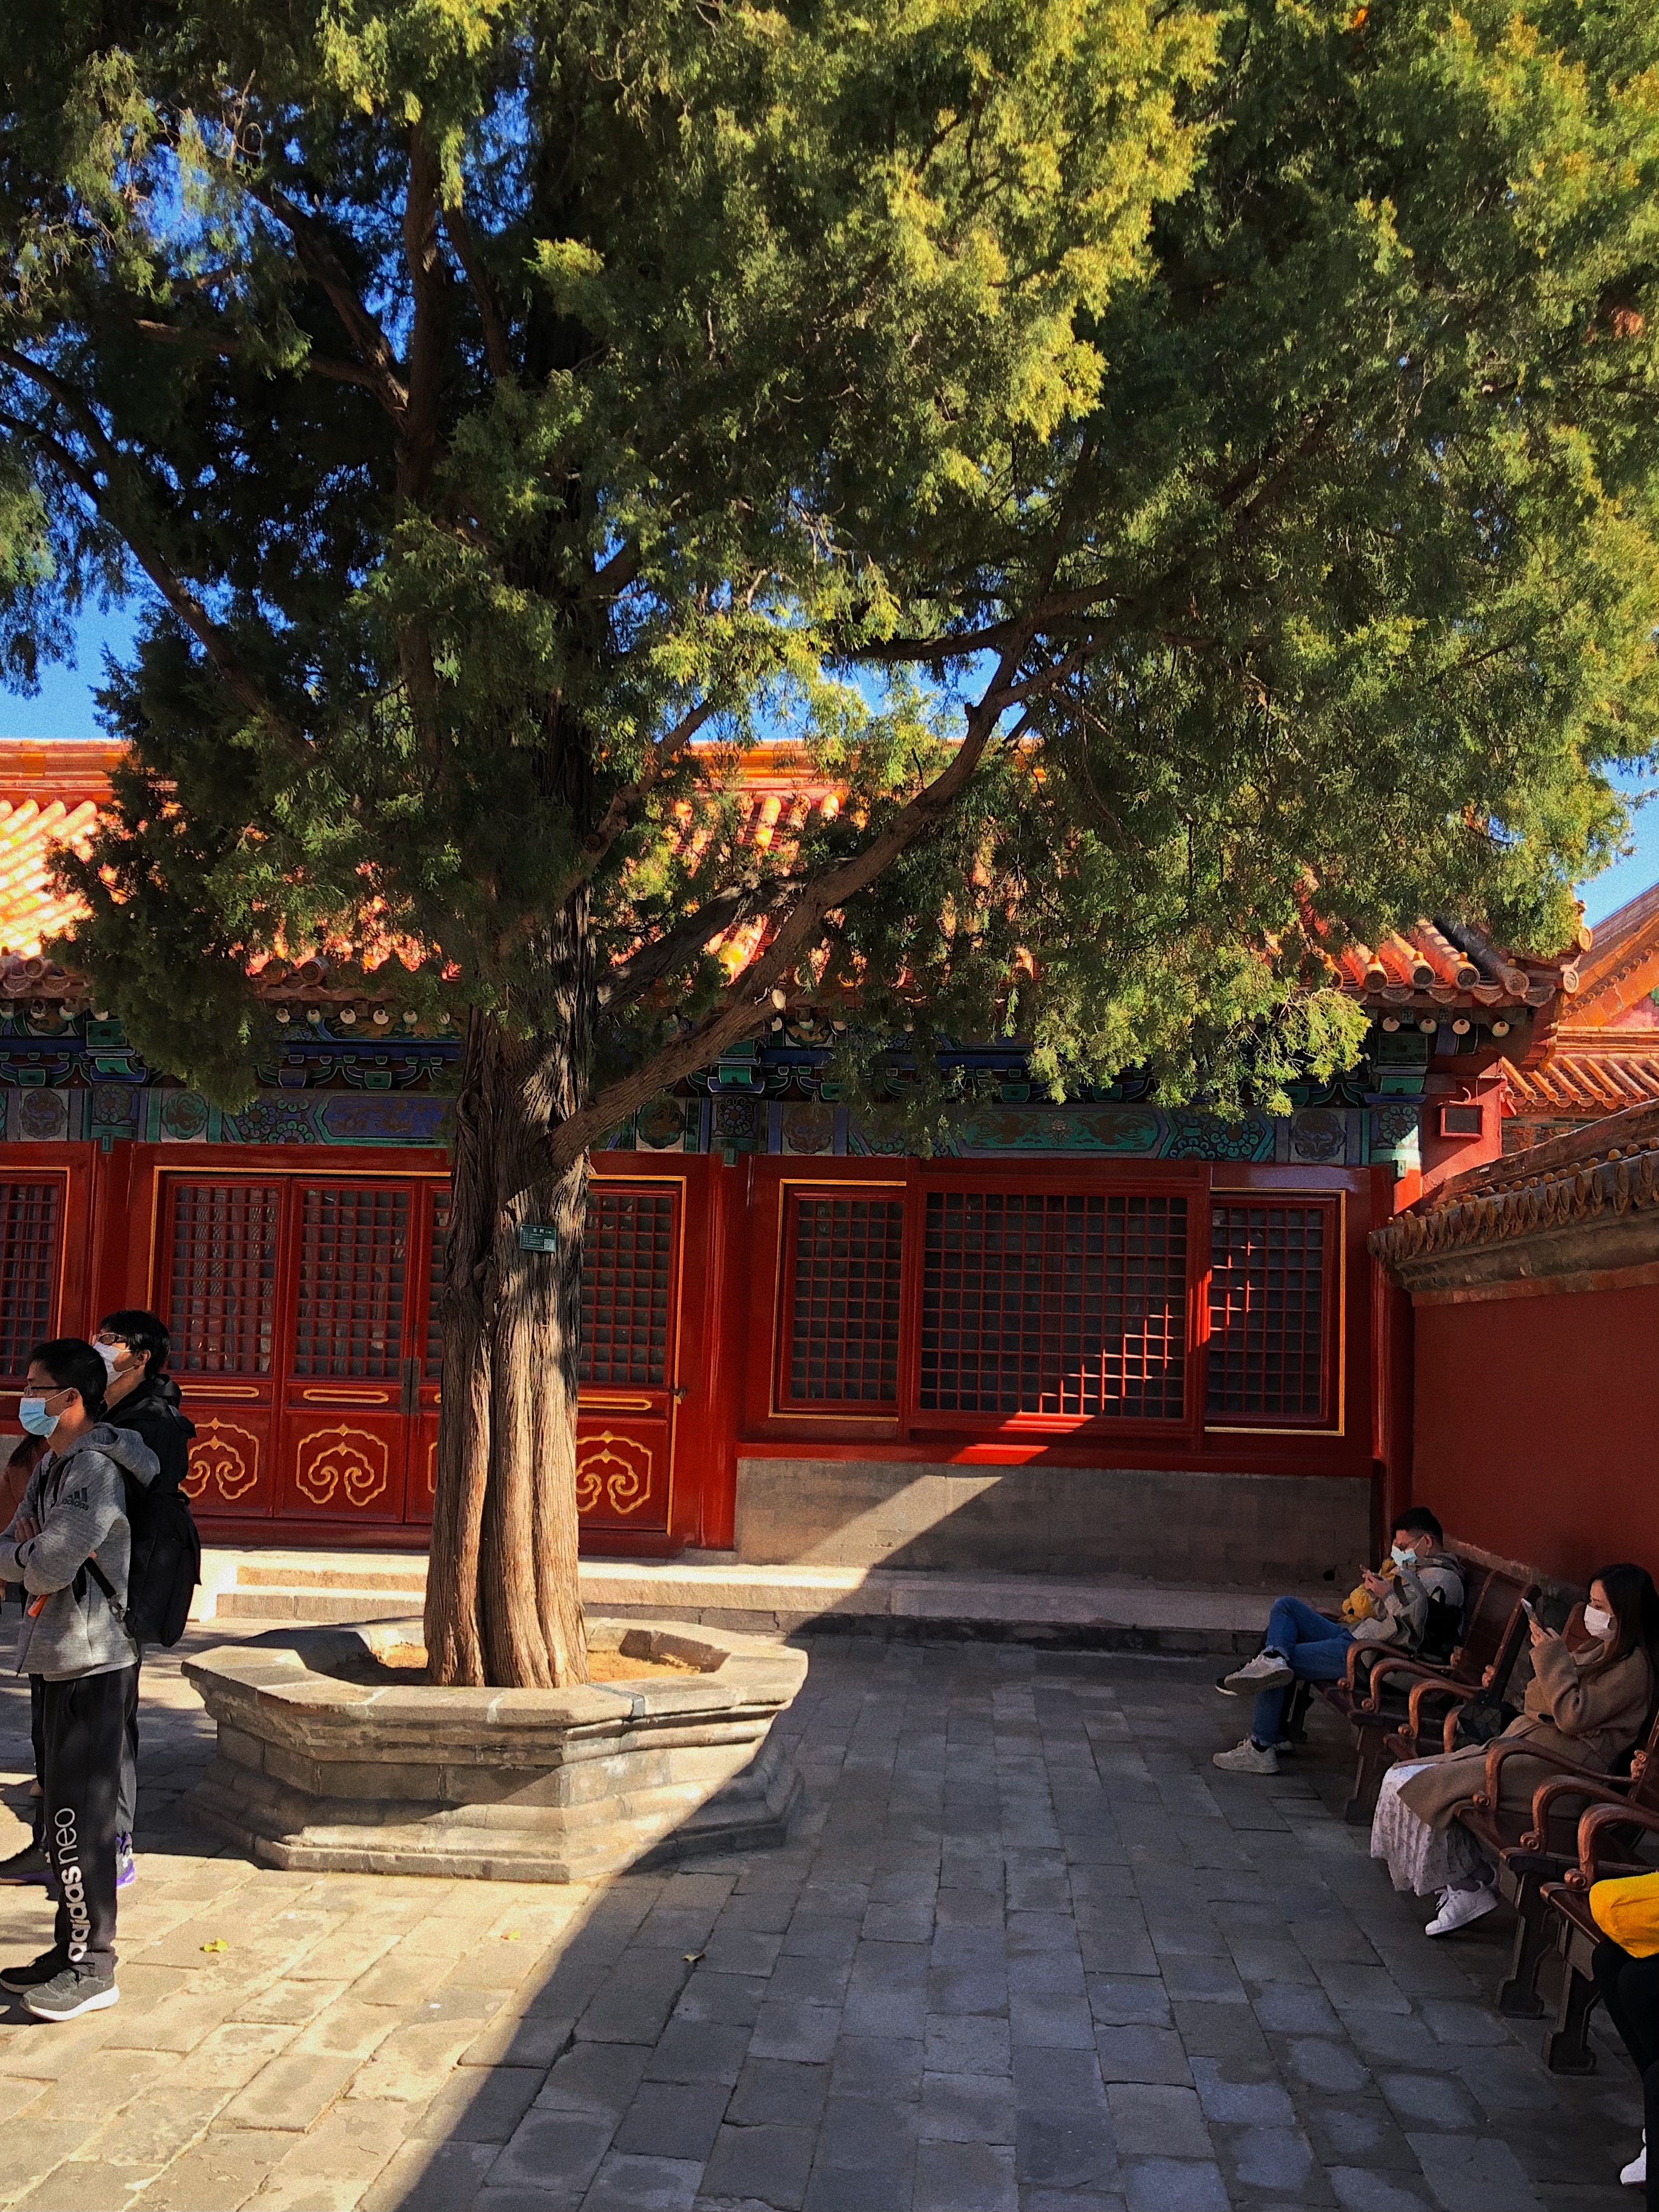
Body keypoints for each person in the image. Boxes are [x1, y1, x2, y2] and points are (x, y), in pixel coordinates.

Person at [1370, 1562, 1659, 1937]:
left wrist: (1553, 1661)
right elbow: (1537, 1701)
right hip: (1532, 1749)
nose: (1593, 1613)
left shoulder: (1634, 1669)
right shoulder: (1601, 1649)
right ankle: (1468, 1879)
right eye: (1591, 1602)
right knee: (1409, 1775)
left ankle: (1467, 1885)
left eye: (1601, 1606)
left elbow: (1571, 1715)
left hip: (1559, 1772)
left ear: (1625, 1613)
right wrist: (1554, 1679)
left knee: (1433, 1785)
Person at [0, 1338, 158, 2019]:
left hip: (93, 1661)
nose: (25, 1399)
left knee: (81, 1819)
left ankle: (95, 1965)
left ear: (72, 1399)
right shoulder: (52, 1466)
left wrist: (28, 1552)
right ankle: (68, 1948)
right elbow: (16, 1542)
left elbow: (44, 1566)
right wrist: (26, 1549)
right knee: (58, 1812)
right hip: (52, 1654)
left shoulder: (94, 1471)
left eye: (37, 1388)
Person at [1212, 1508, 1465, 1776]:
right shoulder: (1420, 1571)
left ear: (1426, 1542)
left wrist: (1388, 1595)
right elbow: (1393, 1618)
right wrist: (1379, 1594)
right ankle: (1272, 1665)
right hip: (1359, 1636)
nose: (1400, 1554)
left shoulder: (1443, 1581)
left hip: (1372, 1657)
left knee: (1284, 1664)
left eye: (1404, 1547)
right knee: (1286, 1607)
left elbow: (1418, 1633)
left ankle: (1261, 1747)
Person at [90, 1310, 194, 1888]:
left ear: (141, 1356)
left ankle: (116, 1837)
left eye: (112, 1340)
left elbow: (125, 1501)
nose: (101, 1346)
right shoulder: (104, 1409)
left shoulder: (154, 1420)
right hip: (84, 1585)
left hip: (124, 1584)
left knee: (111, 1713)